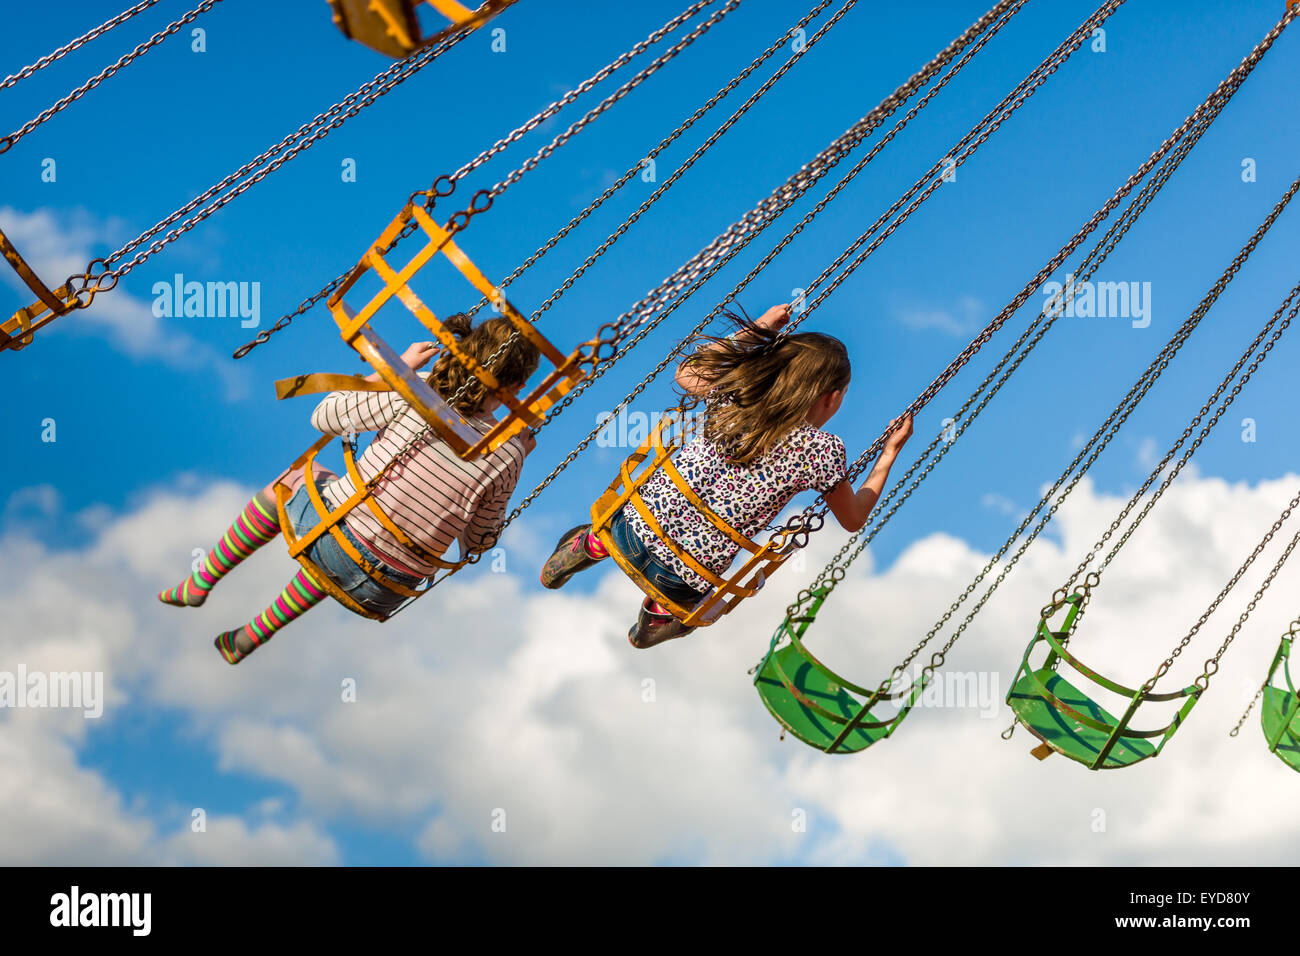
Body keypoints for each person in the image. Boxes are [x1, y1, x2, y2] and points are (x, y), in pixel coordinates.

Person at [158, 313, 540, 664]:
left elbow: (325, 416)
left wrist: (398, 369)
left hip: (337, 538)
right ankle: (249, 638)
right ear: (518, 387)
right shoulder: (508, 450)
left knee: (298, 480)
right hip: (389, 588)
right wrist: (518, 453)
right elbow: (477, 543)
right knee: (355, 539)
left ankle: (202, 579)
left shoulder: (419, 391)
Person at [540, 303, 913, 648]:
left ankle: (590, 545)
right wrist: (889, 453)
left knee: (627, 523)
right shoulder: (823, 451)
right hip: (681, 582)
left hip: (625, 530)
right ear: (831, 397)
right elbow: (853, 518)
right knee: (695, 600)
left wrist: (759, 329)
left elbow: (686, 372)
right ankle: (659, 616)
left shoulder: (737, 394)